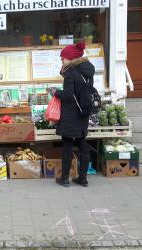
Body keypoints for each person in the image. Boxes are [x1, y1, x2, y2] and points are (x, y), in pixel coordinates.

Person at [50, 42, 95, 188]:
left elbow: (69, 95)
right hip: (84, 111)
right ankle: (83, 178)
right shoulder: (87, 70)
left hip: (71, 113)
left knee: (68, 145)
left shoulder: (71, 72)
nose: (61, 60)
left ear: (71, 58)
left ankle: (64, 179)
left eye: (63, 57)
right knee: (82, 144)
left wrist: (55, 92)